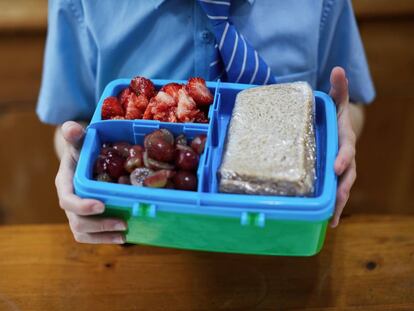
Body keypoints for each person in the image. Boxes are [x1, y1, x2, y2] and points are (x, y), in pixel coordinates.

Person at [37, 0, 375, 244]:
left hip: (283, 237)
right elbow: (73, 125)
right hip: (147, 242)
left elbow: (347, 108)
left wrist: (342, 133)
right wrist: (77, 164)